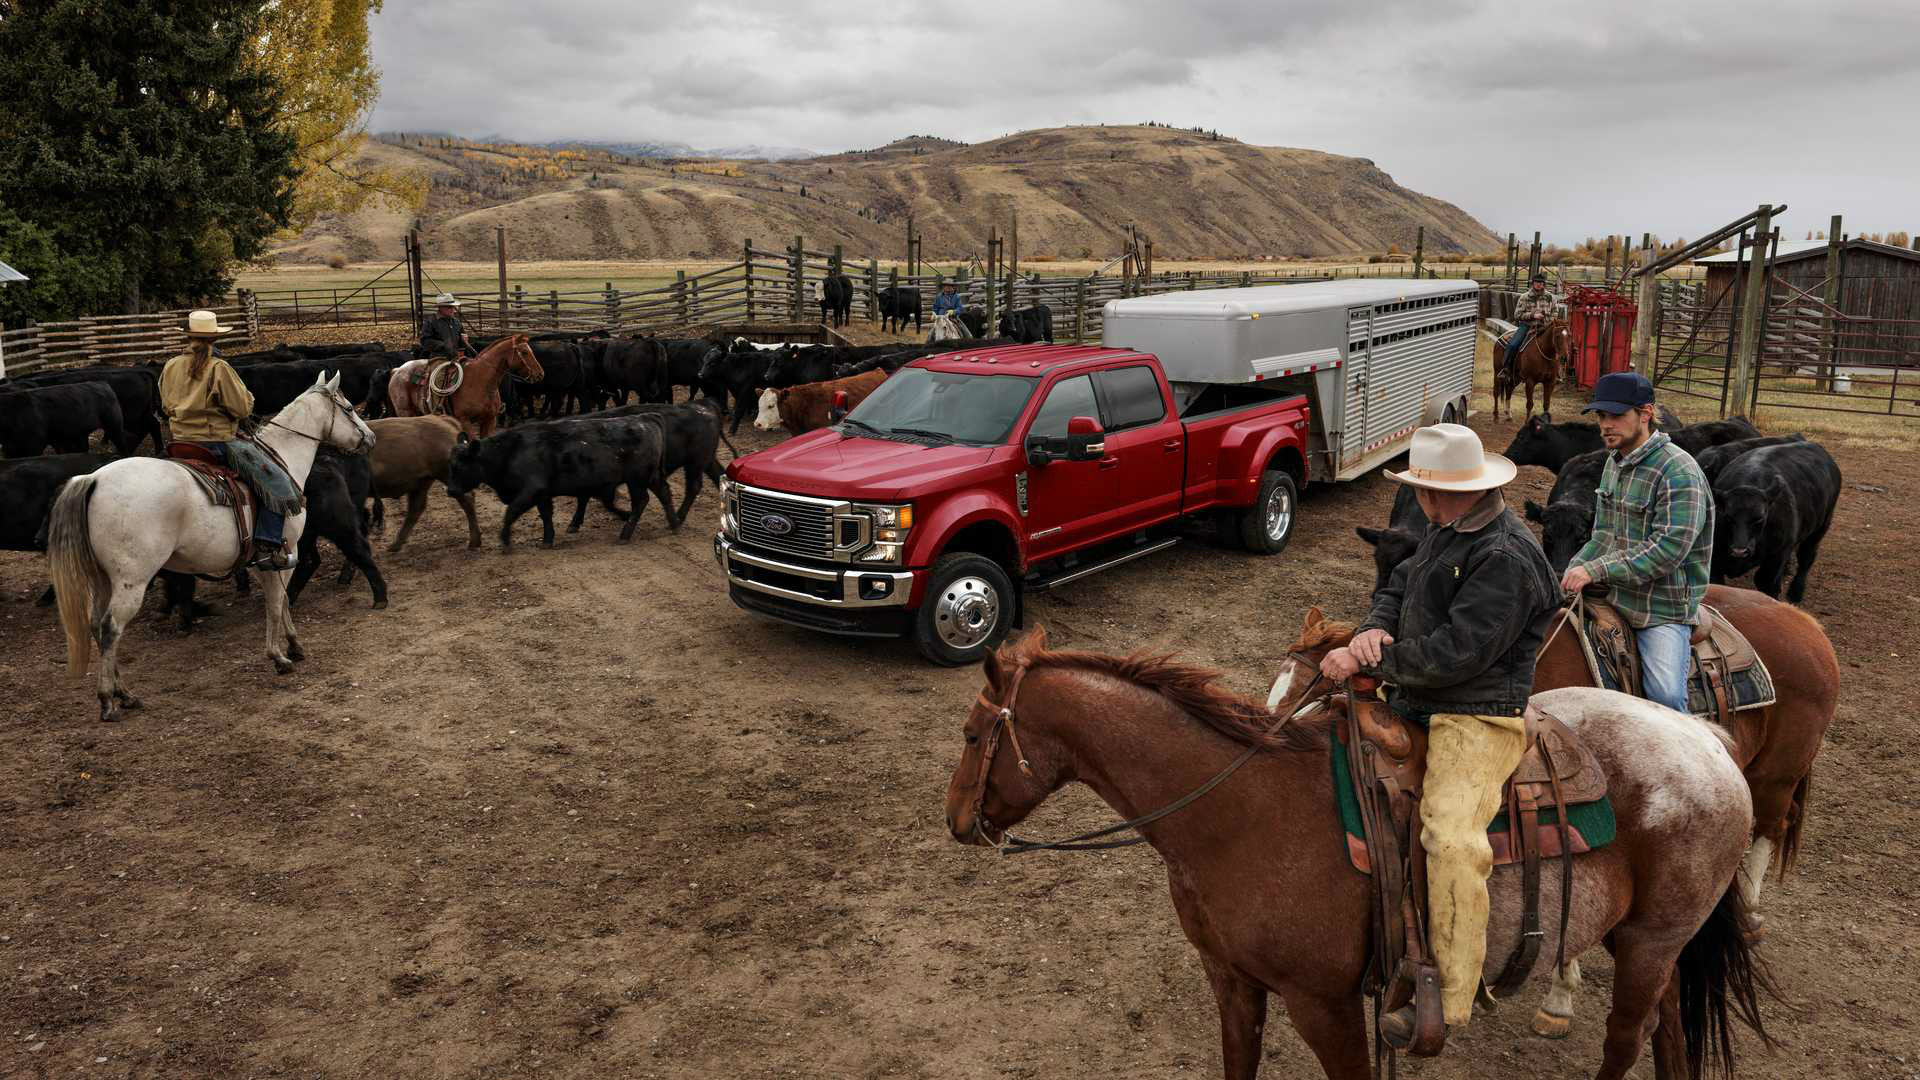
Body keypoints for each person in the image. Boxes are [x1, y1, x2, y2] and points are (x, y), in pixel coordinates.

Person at [1318, 423, 1559, 1044]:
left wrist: (1372, 661)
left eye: (1431, 491)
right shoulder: (1445, 527)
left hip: (1475, 711)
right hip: (1417, 694)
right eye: (1421, 490)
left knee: (1451, 837)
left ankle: (1449, 999)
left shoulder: (1507, 555)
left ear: (1469, 489)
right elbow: (1396, 587)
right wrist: (1369, 630)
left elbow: (1462, 653)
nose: (1423, 502)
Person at [1558, 372, 1714, 714]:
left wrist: (1595, 569)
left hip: (1661, 607)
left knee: (1665, 696)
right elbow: (1603, 536)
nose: (1605, 425)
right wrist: (1571, 571)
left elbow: (1668, 550)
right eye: (1601, 416)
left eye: (1616, 415)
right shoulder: (1615, 463)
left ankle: (1685, 756)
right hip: (1617, 594)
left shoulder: (1679, 473)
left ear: (1645, 414)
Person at [158, 310, 304, 571]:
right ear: (214, 339)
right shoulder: (218, 368)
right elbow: (242, 409)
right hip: (217, 442)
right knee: (277, 482)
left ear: (189, 336)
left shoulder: (170, 366)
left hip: (180, 442)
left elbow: (166, 405)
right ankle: (267, 547)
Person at [1504, 273, 1555, 379]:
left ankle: (1557, 371)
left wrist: (1547, 320)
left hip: (1545, 327)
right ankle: (1506, 369)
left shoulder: (1550, 297)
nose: (1539, 285)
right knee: (1513, 345)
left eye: (1541, 283)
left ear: (1544, 284)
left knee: (1559, 344)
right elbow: (1517, 315)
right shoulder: (1525, 297)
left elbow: (1555, 312)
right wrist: (1532, 315)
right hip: (1527, 326)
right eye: (1536, 283)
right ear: (1533, 284)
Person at [419, 293, 472, 359]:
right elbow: (425, 341)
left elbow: (461, 343)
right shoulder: (431, 322)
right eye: (449, 307)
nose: (452, 309)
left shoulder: (456, 322)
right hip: (438, 358)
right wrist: (443, 345)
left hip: (456, 357)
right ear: (440, 307)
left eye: (453, 306)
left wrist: (464, 340)